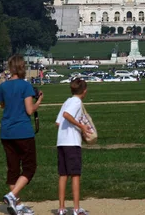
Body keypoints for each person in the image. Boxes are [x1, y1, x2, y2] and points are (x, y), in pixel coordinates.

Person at [0, 55, 43, 215]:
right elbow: (30, 110)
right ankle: (11, 196)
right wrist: (38, 102)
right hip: (22, 131)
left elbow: (3, 105)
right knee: (30, 167)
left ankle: (16, 205)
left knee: (13, 169)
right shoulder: (25, 86)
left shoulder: (3, 86)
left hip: (6, 131)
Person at [55, 78, 92, 215]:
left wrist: (73, 126)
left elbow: (59, 122)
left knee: (63, 174)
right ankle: (76, 209)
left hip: (62, 142)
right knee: (75, 175)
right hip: (72, 143)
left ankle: (61, 208)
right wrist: (81, 126)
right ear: (84, 91)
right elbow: (66, 115)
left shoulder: (67, 101)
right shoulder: (77, 102)